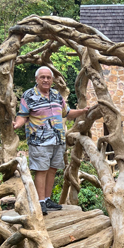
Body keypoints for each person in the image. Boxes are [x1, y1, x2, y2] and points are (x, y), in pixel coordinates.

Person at [13, 66, 88, 215]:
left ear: (52, 80)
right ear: (37, 79)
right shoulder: (29, 95)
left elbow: (67, 113)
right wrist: (16, 124)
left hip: (57, 140)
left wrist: (83, 111)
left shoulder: (56, 95)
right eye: (43, 77)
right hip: (39, 141)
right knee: (41, 170)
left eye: (48, 77)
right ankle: (40, 202)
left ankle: (47, 199)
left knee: (52, 169)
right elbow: (22, 115)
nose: (46, 80)